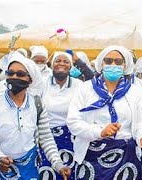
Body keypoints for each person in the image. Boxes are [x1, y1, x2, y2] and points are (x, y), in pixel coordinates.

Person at [66, 45, 142, 179]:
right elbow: (73, 121)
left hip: (126, 157)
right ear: (101, 63)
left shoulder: (135, 91)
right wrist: (100, 131)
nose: (113, 65)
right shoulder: (86, 89)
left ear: (125, 65)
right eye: (108, 61)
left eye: (118, 62)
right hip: (91, 155)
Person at [0, 53, 71, 179]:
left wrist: (58, 164)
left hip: (28, 167)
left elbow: (46, 138)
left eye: (20, 74)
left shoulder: (37, 104)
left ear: (30, 79)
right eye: (10, 73)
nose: (14, 77)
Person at [38, 51, 83, 179]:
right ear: (52, 64)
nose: (61, 64)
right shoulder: (42, 83)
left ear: (70, 66)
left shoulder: (79, 86)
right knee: (46, 172)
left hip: (71, 138)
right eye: (58, 61)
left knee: (69, 173)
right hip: (45, 135)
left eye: (66, 61)